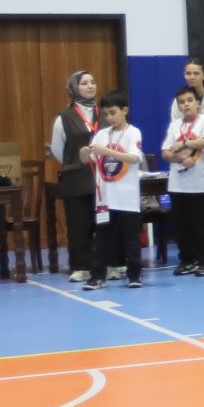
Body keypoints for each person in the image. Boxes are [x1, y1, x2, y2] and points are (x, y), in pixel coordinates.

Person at [83, 90, 148, 289]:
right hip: (105, 198)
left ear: (124, 110)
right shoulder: (101, 135)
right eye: (106, 114)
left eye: (113, 113)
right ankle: (97, 276)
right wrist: (84, 153)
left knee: (131, 239)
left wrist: (107, 151)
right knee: (102, 239)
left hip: (127, 197)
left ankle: (134, 275)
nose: (109, 118)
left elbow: (134, 157)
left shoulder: (133, 132)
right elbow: (88, 159)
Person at [49, 69, 104, 284]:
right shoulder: (64, 117)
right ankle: (81, 266)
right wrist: (77, 162)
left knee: (105, 222)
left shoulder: (105, 112)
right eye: (84, 83)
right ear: (74, 88)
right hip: (77, 177)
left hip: (104, 177)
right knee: (79, 223)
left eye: (93, 82)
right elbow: (58, 150)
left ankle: (107, 264)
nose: (90, 86)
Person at [162, 87, 204, 275]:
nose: (186, 104)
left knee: (202, 225)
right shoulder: (175, 125)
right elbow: (165, 151)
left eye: (189, 100)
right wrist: (180, 158)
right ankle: (187, 260)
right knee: (182, 226)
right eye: (182, 102)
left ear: (197, 103)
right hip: (177, 184)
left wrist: (185, 143)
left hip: (200, 184)